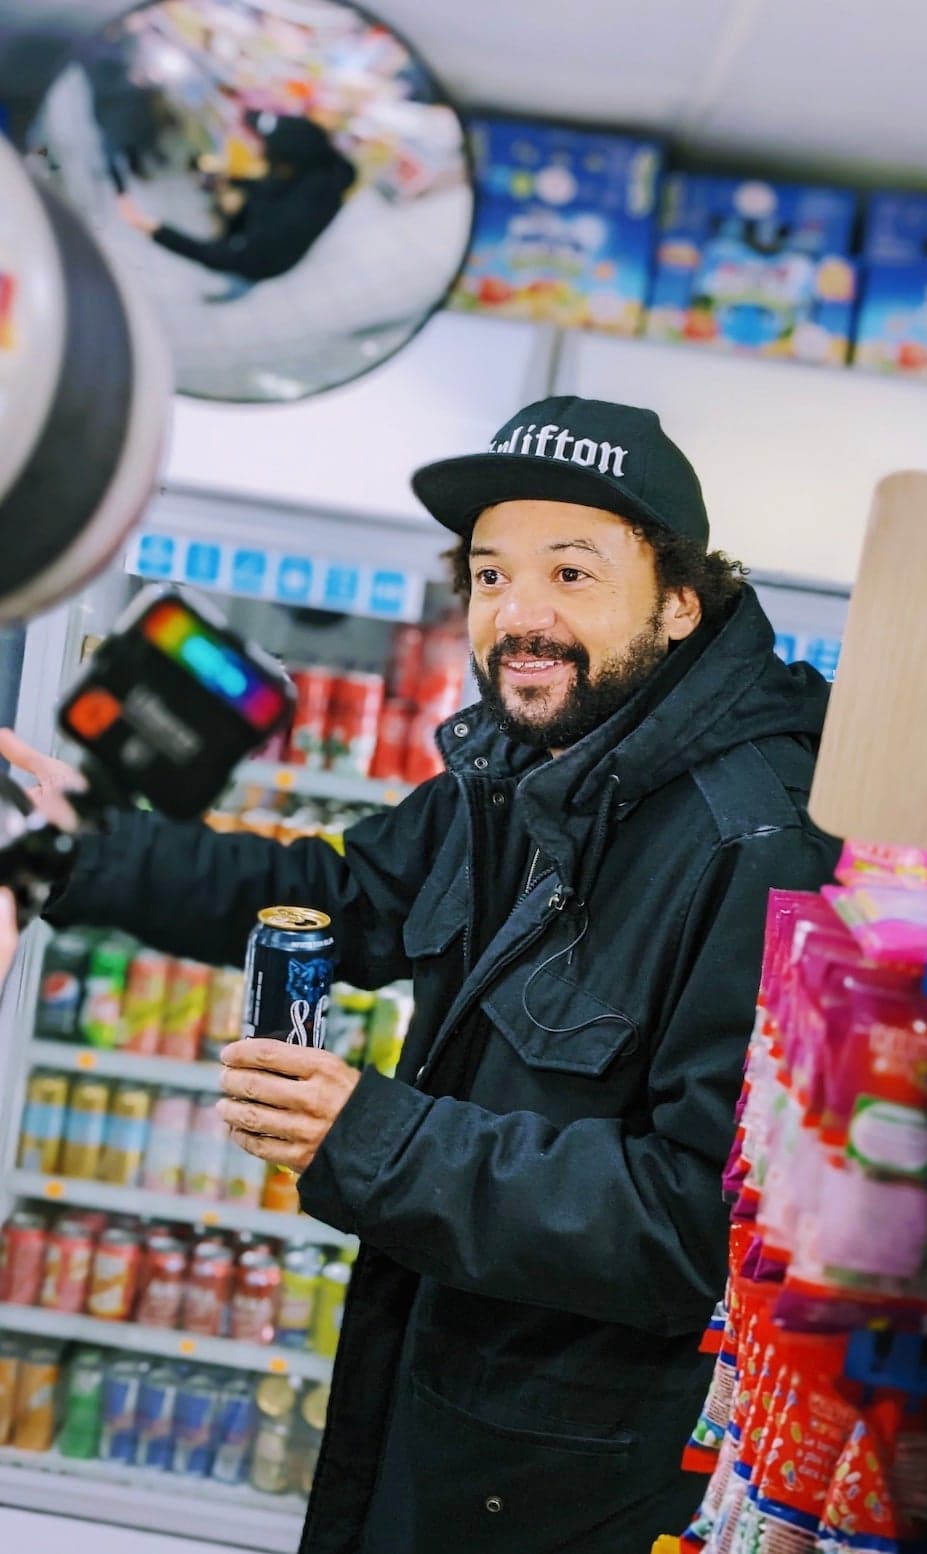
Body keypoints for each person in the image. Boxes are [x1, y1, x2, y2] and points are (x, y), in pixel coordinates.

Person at [0, 396, 841, 1554]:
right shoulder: (528, 765)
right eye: (490, 576)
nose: (519, 617)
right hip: (440, 1381)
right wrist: (69, 853)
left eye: (573, 574)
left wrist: (376, 1136)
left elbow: (695, 1223)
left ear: (683, 601)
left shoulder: (759, 843)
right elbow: (341, 899)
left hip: (568, 1476)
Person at [116, 113, 357, 284]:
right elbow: (271, 185)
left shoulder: (286, 221)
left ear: (286, 160)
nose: (259, 151)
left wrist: (153, 229)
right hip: (262, 236)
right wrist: (231, 180)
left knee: (242, 277)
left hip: (262, 264)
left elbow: (221, 258)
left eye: (266, 149)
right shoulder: (317, 167)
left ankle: (235, 291)